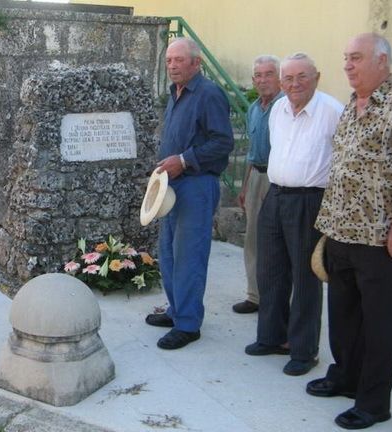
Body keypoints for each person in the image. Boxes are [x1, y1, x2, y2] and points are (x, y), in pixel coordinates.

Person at [307, 33, 392, 430]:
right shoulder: (352, 105)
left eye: (356, 58)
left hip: (381, 239)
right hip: (341, 232)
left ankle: (374, 402)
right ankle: (346, 376)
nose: (348, 65)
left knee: (380, 323)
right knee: (344, 316)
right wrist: (328, 231)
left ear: (382, 61)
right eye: (346, 58)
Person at [245, 53, 343, 376]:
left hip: (309, 200)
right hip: (276, 195)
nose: (294, 84)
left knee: (305, 278)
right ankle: (272, 336)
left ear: (317, 77)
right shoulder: (278, 110)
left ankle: (303, 350)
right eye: (288, 78)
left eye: (302, 76)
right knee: (270, 269)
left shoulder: (332, 111)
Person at [145, 37, 234, 349]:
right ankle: (176, 310)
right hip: (171, 185)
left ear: (196, 63)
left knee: (189, 256)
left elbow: (223, 143)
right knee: (168, 252)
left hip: (197, 184)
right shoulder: (175, 93)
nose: (172, 66)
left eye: (179, 60)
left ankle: (188, 324)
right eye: (169, 60)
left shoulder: (209, 94)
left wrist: (183, 161)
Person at [232, 55, 283, 314]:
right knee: (252, 238)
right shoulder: (253, 108)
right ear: (253, 81)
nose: (263, 80)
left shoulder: (285, 106)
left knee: (276, 242)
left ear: (279, 78)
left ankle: (276, 298)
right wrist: (244, 187)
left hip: (279, 180)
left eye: (269, 74)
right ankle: (254, 296)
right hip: (256, 177)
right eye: (258, 75)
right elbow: (252, 151)